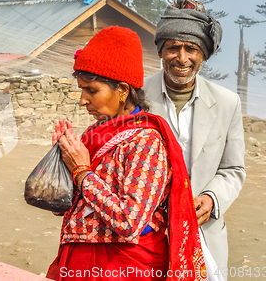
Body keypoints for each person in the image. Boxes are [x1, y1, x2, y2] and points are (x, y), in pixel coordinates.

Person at [46, 26, 207, 281]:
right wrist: (62, 164)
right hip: (81, 265)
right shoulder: (94, 135)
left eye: (92, 90)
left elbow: (128, 223)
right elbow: (65, 207)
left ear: (122, 90)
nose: (82, 100)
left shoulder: (146, 142)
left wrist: (81, 171)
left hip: (122, 269)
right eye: (81, 90)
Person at [143, 0, 245, 274]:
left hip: (203, 233)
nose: (182, 57)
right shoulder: (136, 97)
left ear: (204, 55)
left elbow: (233, 169)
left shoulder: (227, 103)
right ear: (161, 51)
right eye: (173, 47)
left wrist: (211, 198)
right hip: (145, 236)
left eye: (191, 48)